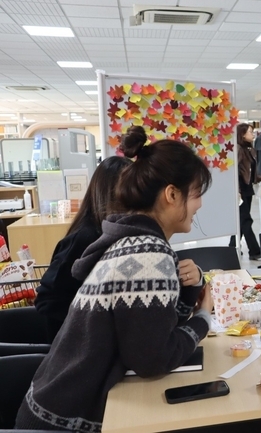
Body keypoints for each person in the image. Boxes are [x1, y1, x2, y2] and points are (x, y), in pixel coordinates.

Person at [15, 128, 214, 431]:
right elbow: (152, 360)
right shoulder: (148, 253)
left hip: (51, 406)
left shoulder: (132, 241)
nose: (199, 205)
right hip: (65, 422)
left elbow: (151, 330)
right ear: (172, 194)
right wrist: (203, 319)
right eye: (197, 193)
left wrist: (190, 293)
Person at [34, 156, 132, 341]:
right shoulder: (85, 238)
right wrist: (92, 322)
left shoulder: (121, 235)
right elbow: (48, 300)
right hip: (74, 343)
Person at [229, 123, 261, 260]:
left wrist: (260, 178)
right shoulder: (238, 149)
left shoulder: (249, 150)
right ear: (242, 134)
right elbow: (234, 172)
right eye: (250, 132)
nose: (253, 134)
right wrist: (237, 191)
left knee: (242, 220)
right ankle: (255, 251)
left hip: (248, 189)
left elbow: (250, 171)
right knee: (246, 219)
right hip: (241, 190)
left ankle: (231, 248)